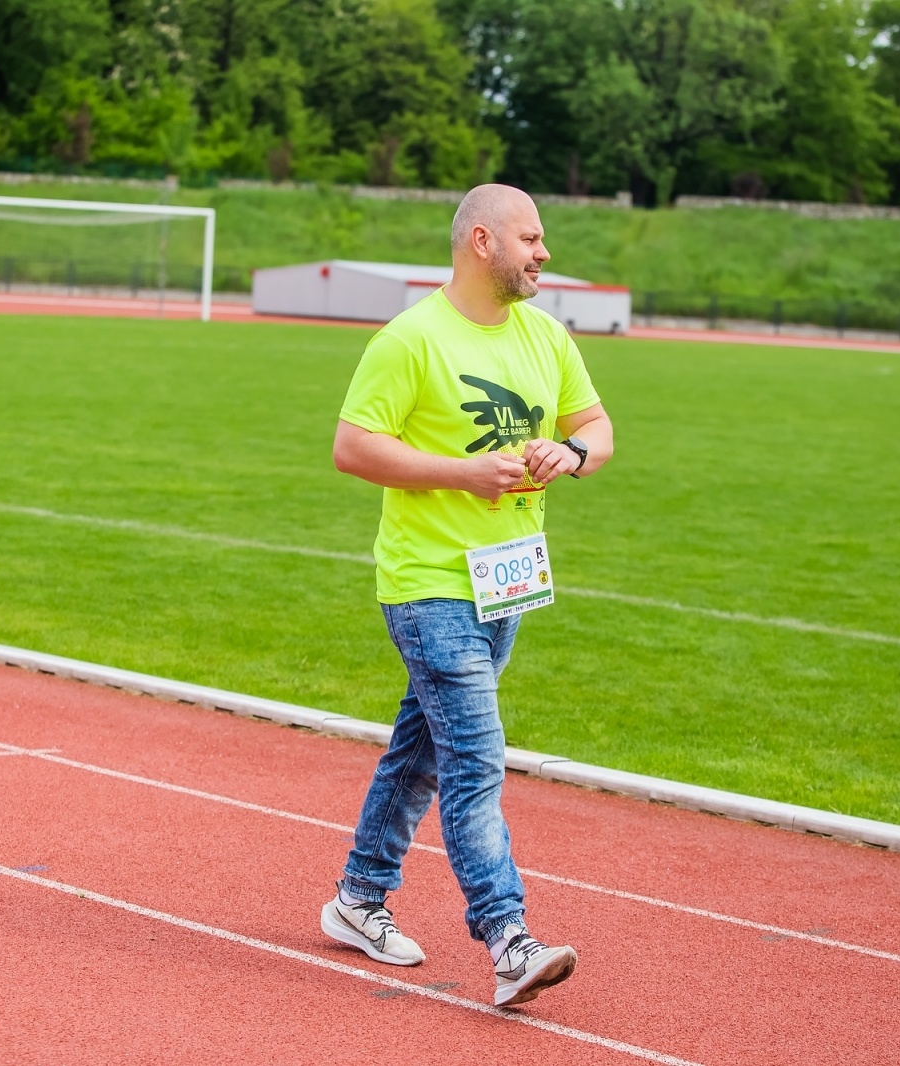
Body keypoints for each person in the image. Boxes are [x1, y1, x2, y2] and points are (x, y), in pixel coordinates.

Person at [319, 183, 614, 1008]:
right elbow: (351, 447)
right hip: (429, 584)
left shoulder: (546, 335)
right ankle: (508, 938)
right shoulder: (410, 339)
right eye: (530, 238)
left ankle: (357, 898)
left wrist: (569, 455)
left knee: (422, 753)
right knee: (476, 760)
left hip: (508, 584)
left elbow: (597, 429)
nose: (544, 252)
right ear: (482, 242)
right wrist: (461, 473)